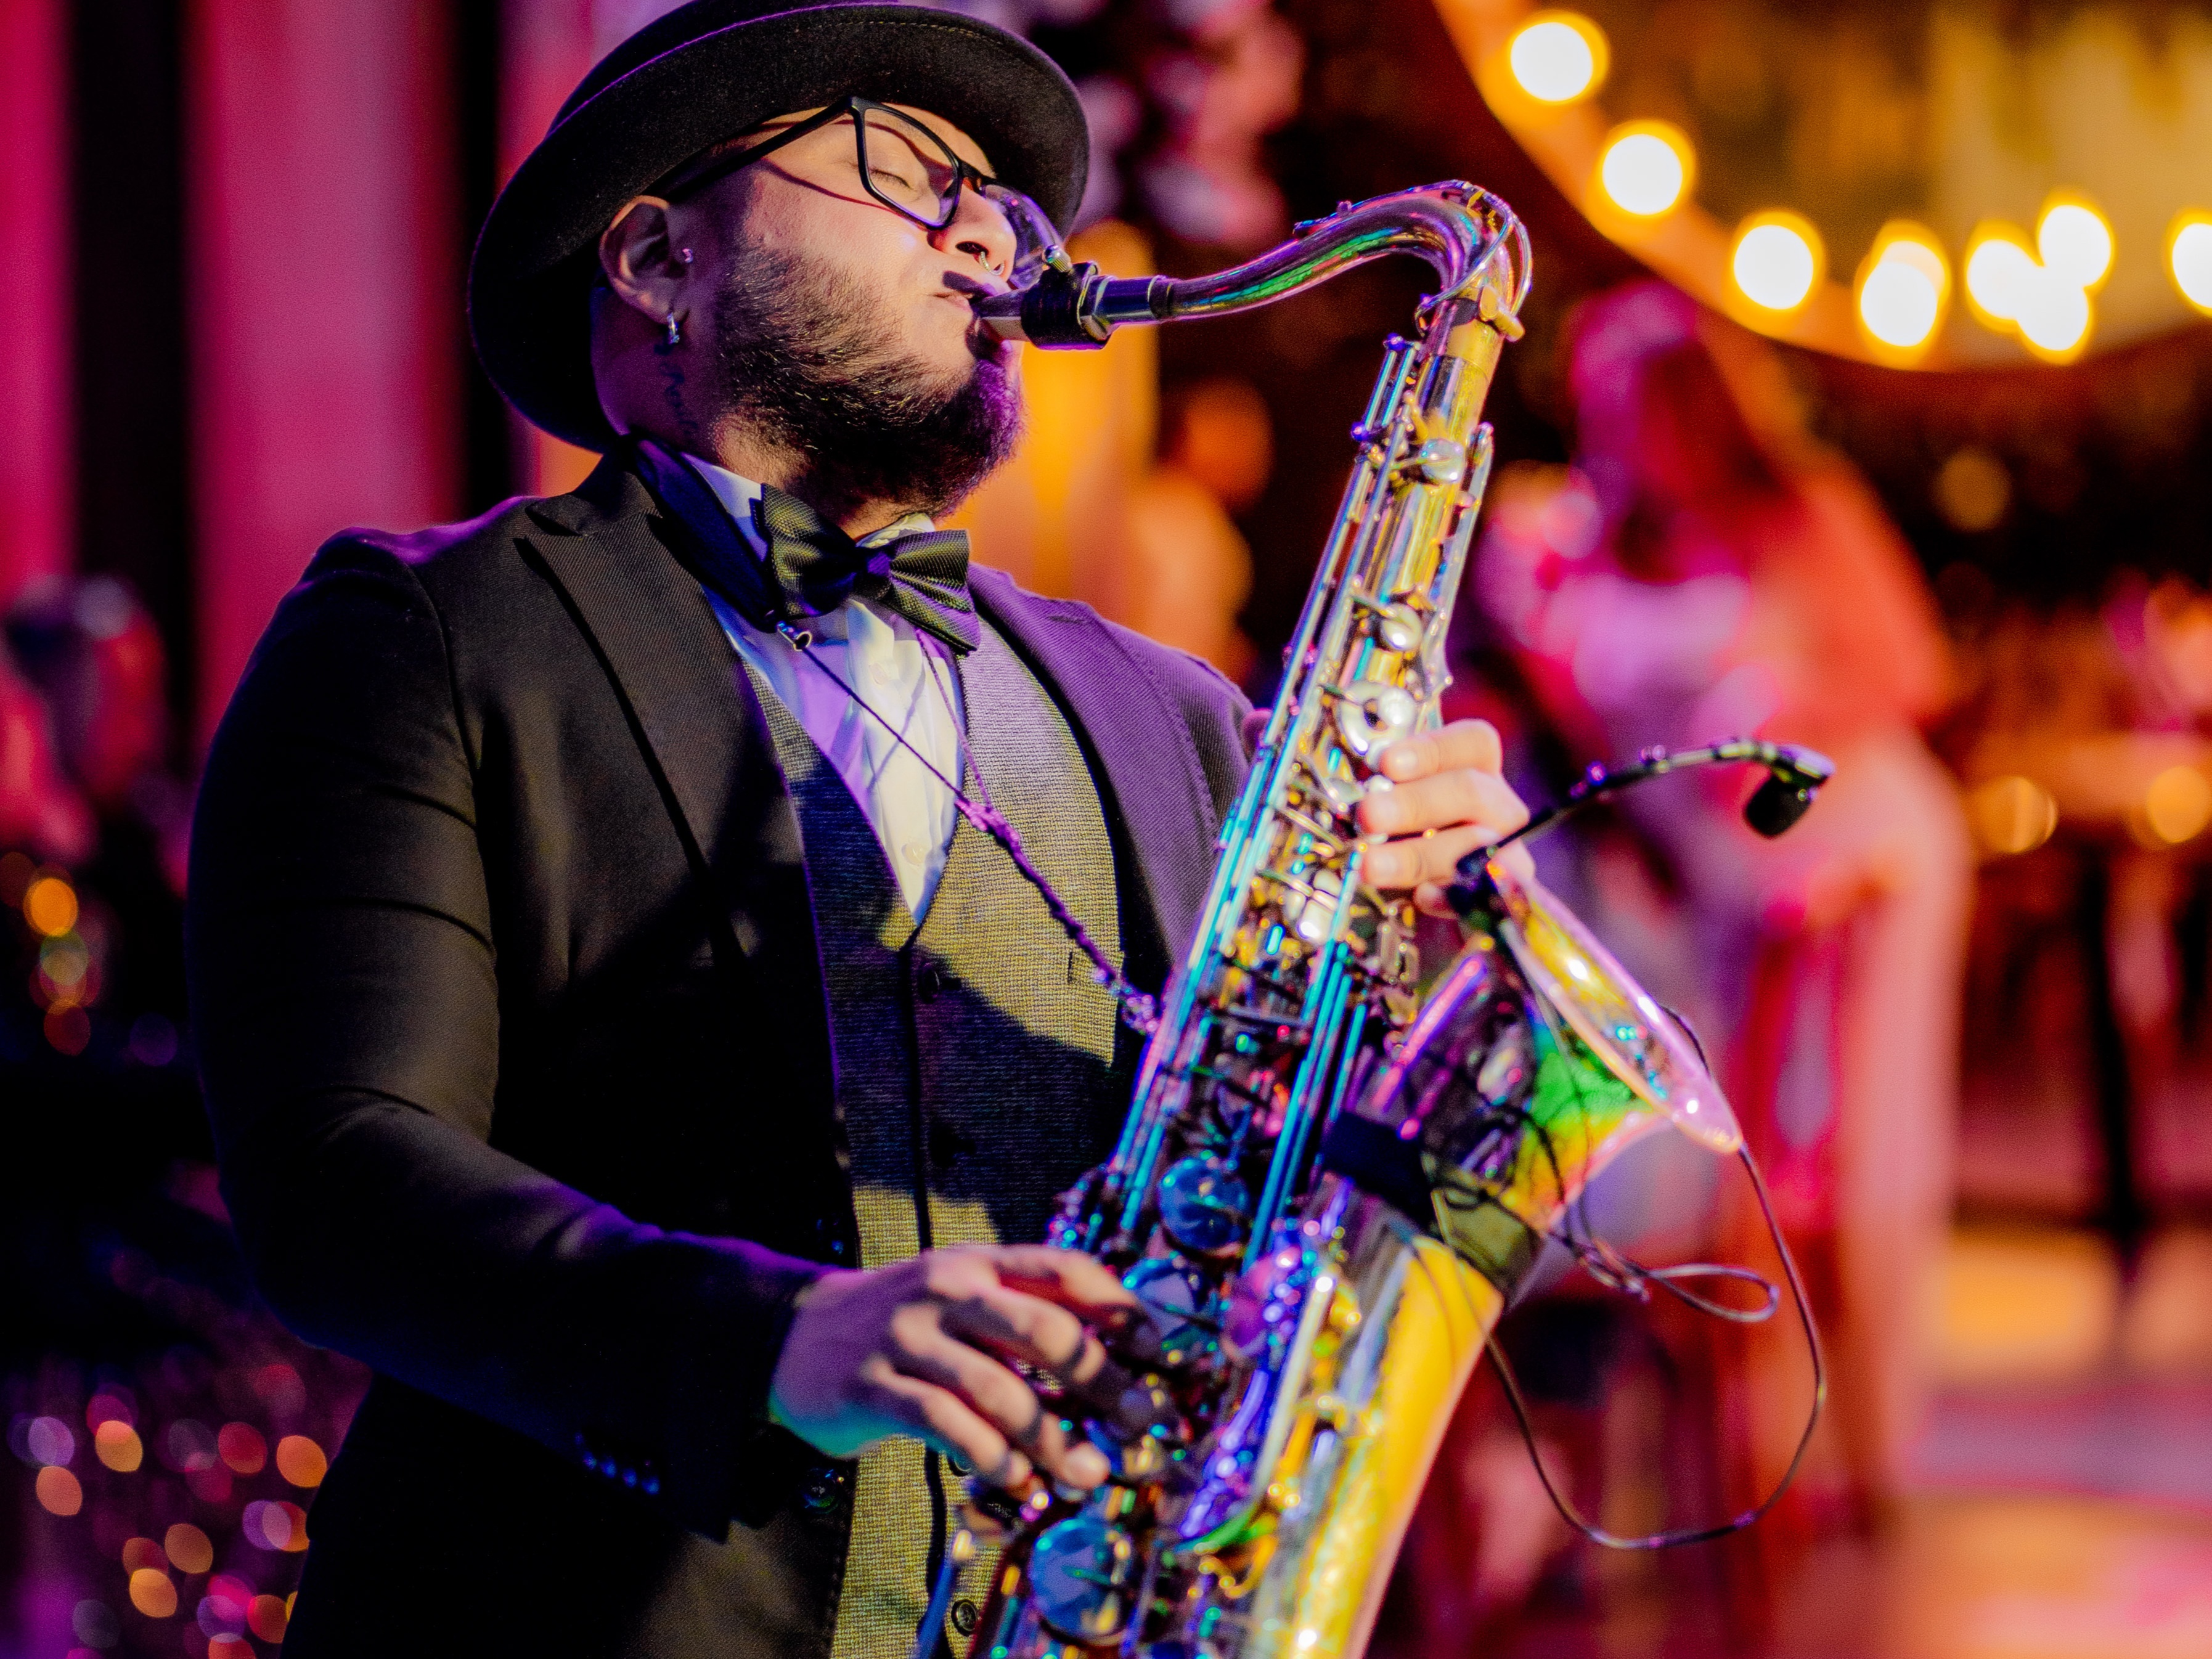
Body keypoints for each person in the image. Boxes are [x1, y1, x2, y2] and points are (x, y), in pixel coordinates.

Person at [184, 4, 1531, 1653]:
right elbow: (337, 1181)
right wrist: (766, 1343)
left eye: (1005, 209)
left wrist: (1435, 978)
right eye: (907, 168)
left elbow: (1282, 1217)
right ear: (657, 257)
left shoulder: (1181, 715)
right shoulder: (425, 636)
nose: (992, 236)